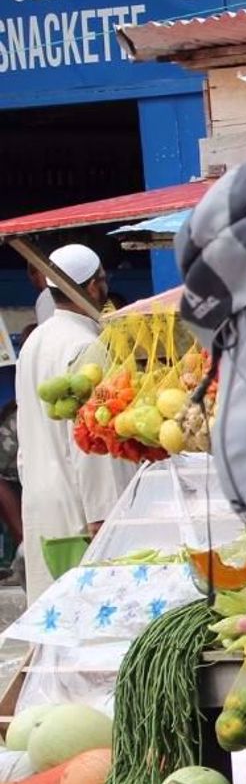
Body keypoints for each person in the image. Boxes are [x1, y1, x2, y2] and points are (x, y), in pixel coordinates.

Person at [13, 245, 134, 599]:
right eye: (103, 281)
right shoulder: (86, 347)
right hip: (82, 508)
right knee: (92, 615)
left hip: (41, 497)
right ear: (93, 287)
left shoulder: (36, 340)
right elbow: (91, 440)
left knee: (55, 618)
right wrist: (103, 514)